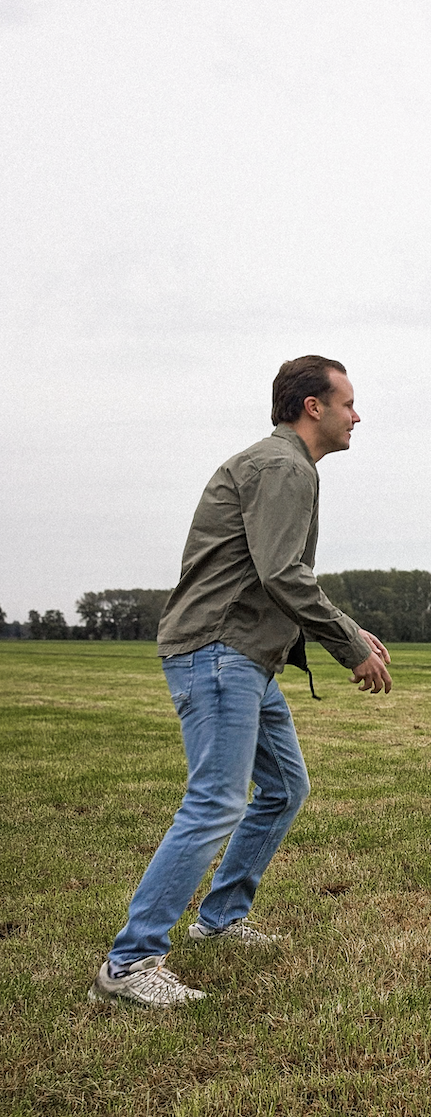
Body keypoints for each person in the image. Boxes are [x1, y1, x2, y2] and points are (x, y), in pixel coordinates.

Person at [89, 357, 394, 1007]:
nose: (356, 416)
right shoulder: (283, 467)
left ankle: (220, 918)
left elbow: (277, 575)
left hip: (246, 659)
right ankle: (130, 961)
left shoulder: (287, 467)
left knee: (284, 786)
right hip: (220, 654)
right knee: (216, 802)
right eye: (348, 403)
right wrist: (347, 645)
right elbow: (283, 574)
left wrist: (349, 627)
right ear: (313, 406)